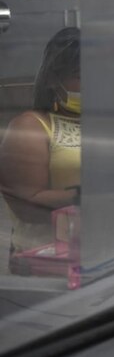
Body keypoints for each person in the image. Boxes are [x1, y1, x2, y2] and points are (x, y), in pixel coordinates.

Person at [0, 27, 81, 273]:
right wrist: (85, 197)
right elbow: (26, 204)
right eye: (80, 75)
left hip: (106, 256)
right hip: (46, 263)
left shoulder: (110, 125)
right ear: (54, 79)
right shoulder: (31, 127)